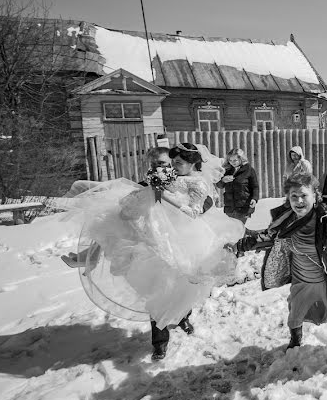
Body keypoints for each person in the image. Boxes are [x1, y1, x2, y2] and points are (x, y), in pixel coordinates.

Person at [61, 143, 243, 361]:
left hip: (184, 244)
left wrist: (167, 195)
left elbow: (201, 205)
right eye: (158, 165)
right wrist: (150, 191)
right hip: (154, 244)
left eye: (168, 164)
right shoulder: (150, 183)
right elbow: (126, 210)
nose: (165, 169)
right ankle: (160, 342)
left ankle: (183, 316)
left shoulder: (193, 183)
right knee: (160, 291)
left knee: (182, 286)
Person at [235, 173, 327, 378]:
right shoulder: (285, 219)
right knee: (295, 312)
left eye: (303, 195)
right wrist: (249, 242)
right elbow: (268, 236)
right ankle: (295, 340)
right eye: (293, 196)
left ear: (315, 195)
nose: (299, 201)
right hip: (301, 279)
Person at [216, 148, 259, 225]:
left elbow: (255, 186)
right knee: (232, 230)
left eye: (235, 160)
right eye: (230, 160)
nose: (232, 163)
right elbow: (219, 185)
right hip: (230, 207)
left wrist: (254, 199)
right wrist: (223, 180)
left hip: (244, 206)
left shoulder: (249, 170)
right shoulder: (227, 170)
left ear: (241, 159)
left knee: (239, 228)